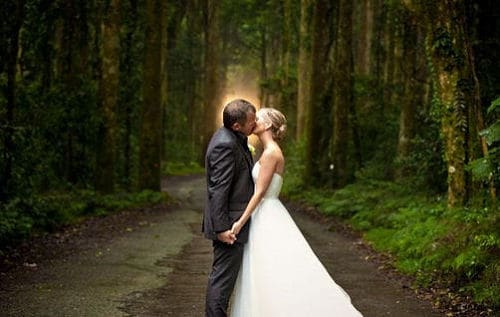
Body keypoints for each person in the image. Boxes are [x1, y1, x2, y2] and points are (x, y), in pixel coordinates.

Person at [230, 108, 363, 316]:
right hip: (268, 212)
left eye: (259, 118)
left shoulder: (271, 153)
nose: (254, 121)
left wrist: (239, 222)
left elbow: (259, 193)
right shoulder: (269, 151)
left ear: (267, 125)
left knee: (271, 269)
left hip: (266, 214)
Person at [203, 99, 257, 317]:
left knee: (225, 281)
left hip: (234, 222)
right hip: (230, 226)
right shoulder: (225, 145)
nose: (255, 124)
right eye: (252, 121)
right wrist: (223, 228)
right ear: (237, 125)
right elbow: (218, 190)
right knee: (222, 283)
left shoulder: (235, 137)